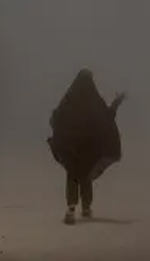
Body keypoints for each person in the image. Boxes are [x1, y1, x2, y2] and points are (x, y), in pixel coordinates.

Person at [47, 68, 126, 224]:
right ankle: (85, 207)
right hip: (89, 147)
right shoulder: (94, 100)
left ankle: (72, 208)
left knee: (73, 175)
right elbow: (107, 117)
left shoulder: (68, 99)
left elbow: (56, 118)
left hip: (72, 147)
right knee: (85, 175)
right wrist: (116, 103)